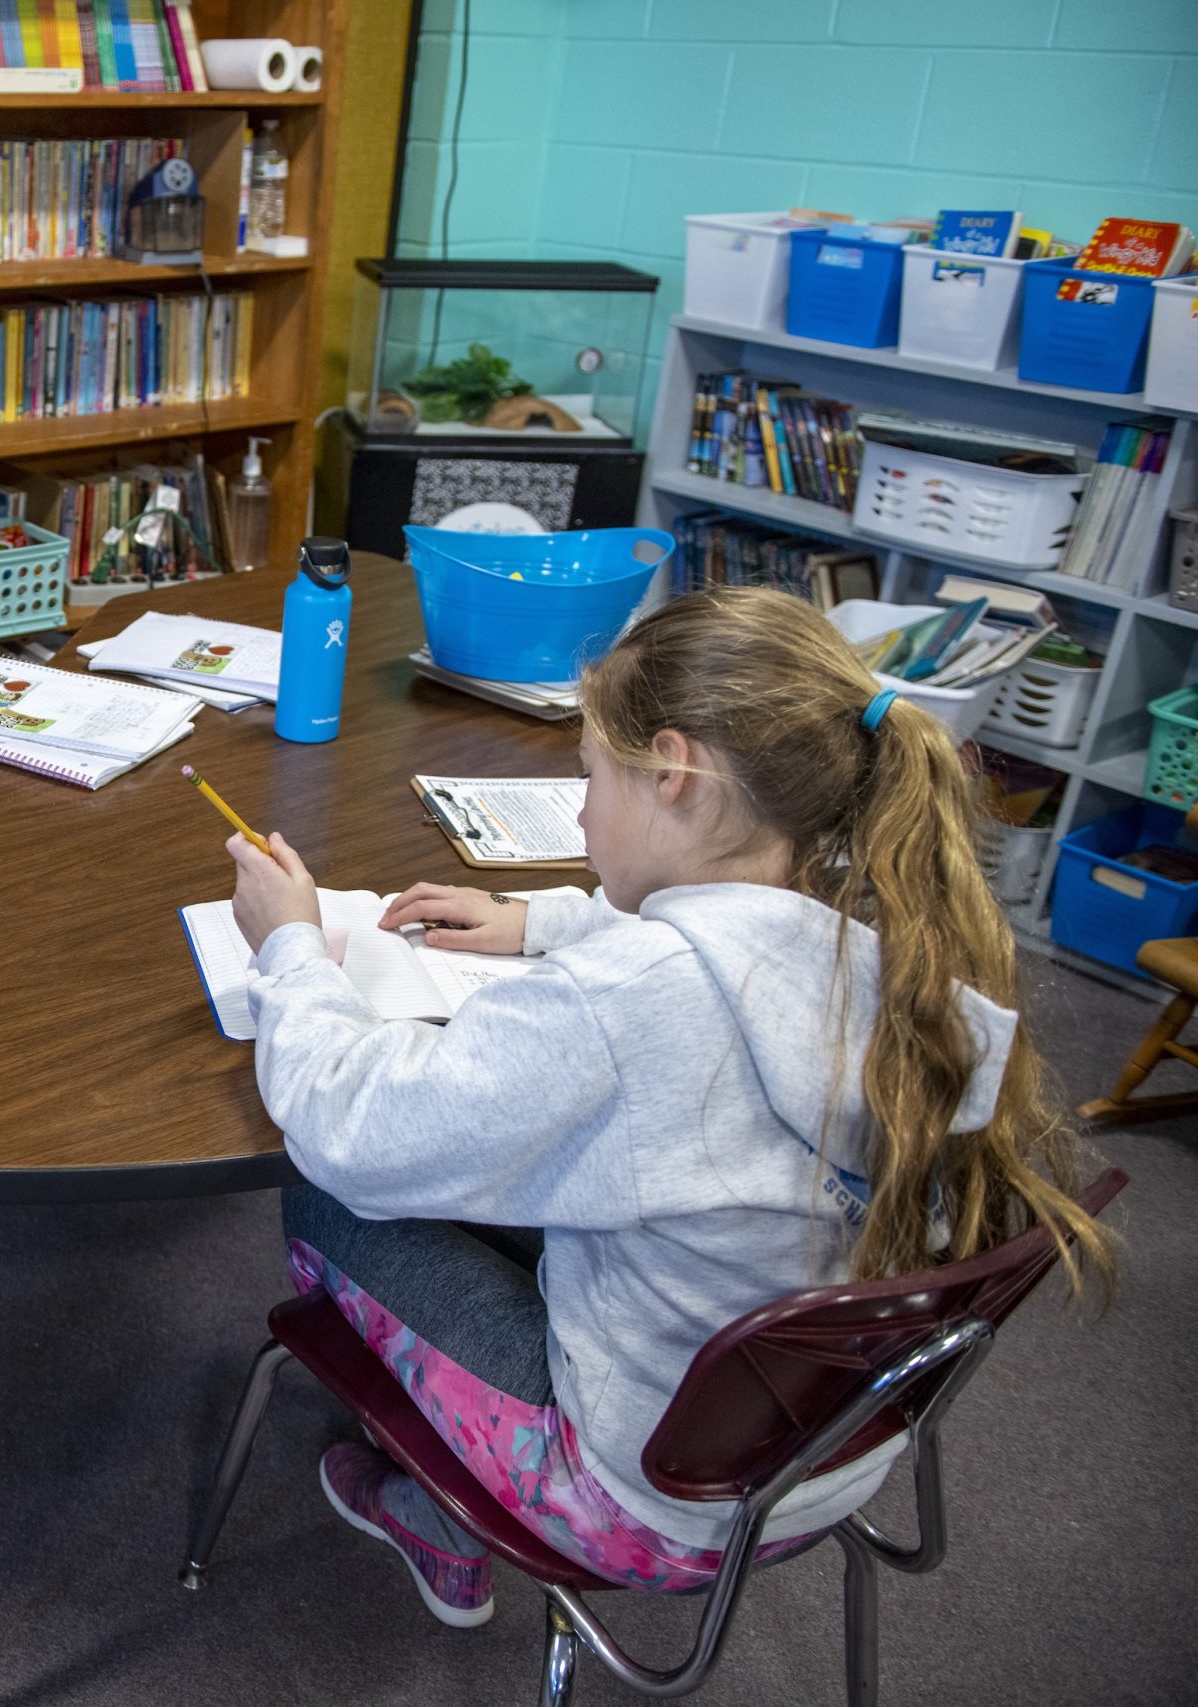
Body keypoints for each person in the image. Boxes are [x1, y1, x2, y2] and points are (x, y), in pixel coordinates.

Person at [223, 586, 1114, 1624]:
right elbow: (713, 951)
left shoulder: (625, 1006)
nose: (584, 807)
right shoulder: (888, 952)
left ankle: (443, 1515)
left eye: (589, 774)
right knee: (494, 1179)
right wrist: (544, 921)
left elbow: (349, 1130)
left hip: (633, 1500)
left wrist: (287, 945)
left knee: (328, 1197)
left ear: (676, 772)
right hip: (825, 1446)